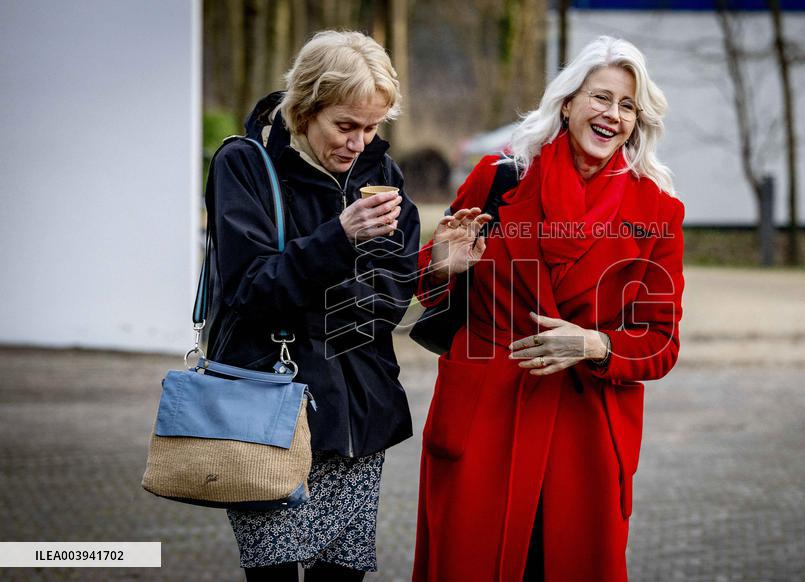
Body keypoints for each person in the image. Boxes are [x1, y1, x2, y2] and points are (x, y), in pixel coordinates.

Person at [412, 36, 684, 581]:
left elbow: (662, 341)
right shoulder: (500, 178)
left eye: (627, 106)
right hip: (485, 416)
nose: (613, 115)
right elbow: (425, 284)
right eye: (601, 97)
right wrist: (444, 263)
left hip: (584, 431)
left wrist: (595, 344)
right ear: (567, 101)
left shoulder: (656, 209)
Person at [203, 31, 418, 581]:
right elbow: (249, 291)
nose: (358, 143)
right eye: (345, 126)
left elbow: (390, 294)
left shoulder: (382, 174)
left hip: (358, 419)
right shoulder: (245, 166)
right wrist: (338, 239)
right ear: (304, 108)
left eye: (372, 127)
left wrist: (440, 263)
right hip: (272, 414)